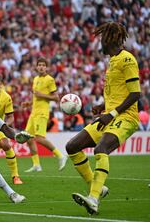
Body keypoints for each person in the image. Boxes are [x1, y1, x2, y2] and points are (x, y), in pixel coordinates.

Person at [66, 22, 141, 215]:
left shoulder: (127, 60)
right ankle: (98, 186)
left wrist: (111, 114)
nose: (100, 43)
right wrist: (102, 107)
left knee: (101, 149)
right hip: (110, 114)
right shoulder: (113, 60)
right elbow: (117, 92)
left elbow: (135, 94)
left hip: (126, 117)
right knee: (72, 147)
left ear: (110, 39)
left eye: (102, 39)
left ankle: (93, 198)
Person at [22, 57, 67, 172]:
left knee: (39, 139)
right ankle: (37, 165)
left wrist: (42, 95)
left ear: (46, 67)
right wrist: (29, 103)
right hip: (34, 113)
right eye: (39, 65)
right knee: (28, 139)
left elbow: (56, 97)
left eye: (43, 65)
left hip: (42, 113)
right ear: (36, 67)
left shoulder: (50, 79)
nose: (41, 67)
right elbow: (36, 97)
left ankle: (60, 155)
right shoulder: (35, 79)